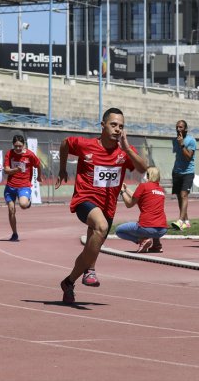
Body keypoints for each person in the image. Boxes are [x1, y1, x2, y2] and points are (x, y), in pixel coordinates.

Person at [55, 107, 148, 304]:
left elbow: (143, 169)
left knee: (91, 249)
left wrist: (128, 148)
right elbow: (65, 144)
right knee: (102, 226)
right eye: (113, 125)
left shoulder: (123, 153)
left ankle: (69, 281)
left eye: (121, 126)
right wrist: (63, 168)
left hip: (108, 207)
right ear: (103, 125)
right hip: (84, 200)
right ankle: (91, 269)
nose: (117, 129)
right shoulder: (85, 145)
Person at [116, 166, 168, 253]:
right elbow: (139, 197)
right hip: (162, 229)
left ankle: (141, 240)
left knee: (119, 231)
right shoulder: (161, 189)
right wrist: (127, 189)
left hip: (146, 227)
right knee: (155, 221)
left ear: (148, 175)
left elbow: (129, 204)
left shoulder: (143, 186)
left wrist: (122, 192)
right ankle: (156, 245)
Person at [3, 135, 43, 241]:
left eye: (20, 146)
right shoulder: (9, 154)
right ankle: (15, 233)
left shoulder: (29, 154)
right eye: (15, 146)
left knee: (23, 205)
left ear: (24, 145)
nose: (17, 148)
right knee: (11, 210)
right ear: (13, 145)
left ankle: (28, 202)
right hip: (10, 186)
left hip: (24, 185)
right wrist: (16, 170)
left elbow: (39, 165)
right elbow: (6, 170)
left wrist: (39, 176)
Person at [170, 120, 196, 230]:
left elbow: (188, 157)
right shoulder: (174, 140)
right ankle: (186, 221)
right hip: (176, 172)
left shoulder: (191, 140)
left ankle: (180, 221)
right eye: (177, 127)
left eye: (180, 127)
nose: (178, 129)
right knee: (179, 198)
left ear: (185, 129)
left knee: (184, 195)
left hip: (188, 172)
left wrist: (182, 145)